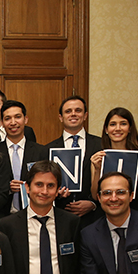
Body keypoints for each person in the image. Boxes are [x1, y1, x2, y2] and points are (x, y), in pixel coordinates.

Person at [45, 95, 103, 229]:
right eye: (68, 111)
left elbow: (108, 179)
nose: (73, 114)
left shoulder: (101, 145)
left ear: (85, 115)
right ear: (60, 117)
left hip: (94, 218)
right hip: (61, 216)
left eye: (78, 110)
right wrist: (56, 194)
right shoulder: (48, 149)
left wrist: (93, 203)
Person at [91, 107, 138, 214]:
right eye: (113, 124)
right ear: (106, 130)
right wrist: (97, 169)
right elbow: (95, 195)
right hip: (106, 213)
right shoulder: (99, 157)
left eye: (123, 124)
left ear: (130, 128)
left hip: (136, 212)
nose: (118, 128)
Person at [0, 100, 48, 214]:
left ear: (25, 119)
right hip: (1, 216)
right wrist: (7, 188)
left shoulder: (41, 151)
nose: (13, 122)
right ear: (2, 122)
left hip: (33, 214)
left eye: (17, 117)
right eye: (7, 118)